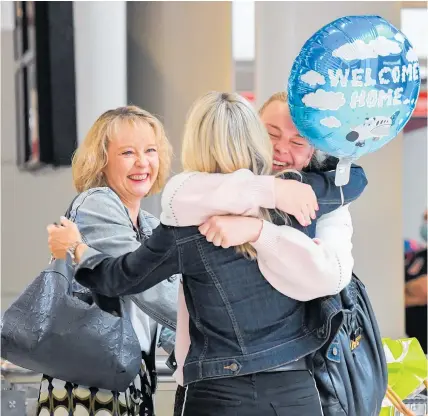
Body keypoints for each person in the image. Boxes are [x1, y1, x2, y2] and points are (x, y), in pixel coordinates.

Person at [47, 92, 365, 415]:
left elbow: (121, 278)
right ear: (256, 139)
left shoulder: (184, 224)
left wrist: (78, 251)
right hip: (296, 391)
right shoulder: (300, 205)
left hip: (218, 391)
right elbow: (354, 181)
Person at [37, 106, 179, 416]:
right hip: (89, 391)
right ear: (102, 161)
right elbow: (143, 285)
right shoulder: (97, 205)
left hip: (132, 385)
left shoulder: (152, 225)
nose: (143, 162)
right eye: (128, 152)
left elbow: (165, 312)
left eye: (150, 150)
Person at [405, 209, 427, 353]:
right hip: (414, 346)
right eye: (424, 219)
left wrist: (404, 292)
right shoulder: (417, 256)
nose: (425, 224)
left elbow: (424, 290)